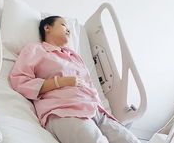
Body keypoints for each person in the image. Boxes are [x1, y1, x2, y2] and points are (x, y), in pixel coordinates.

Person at [9, 16, 140, 143]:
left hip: (95, 110)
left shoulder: (74, 56)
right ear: (47, 28)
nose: (68, 30)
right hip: (63, 110)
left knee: (131, 140)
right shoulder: (35, 49)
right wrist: (60, 82)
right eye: (63, 25)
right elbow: (19, 80)